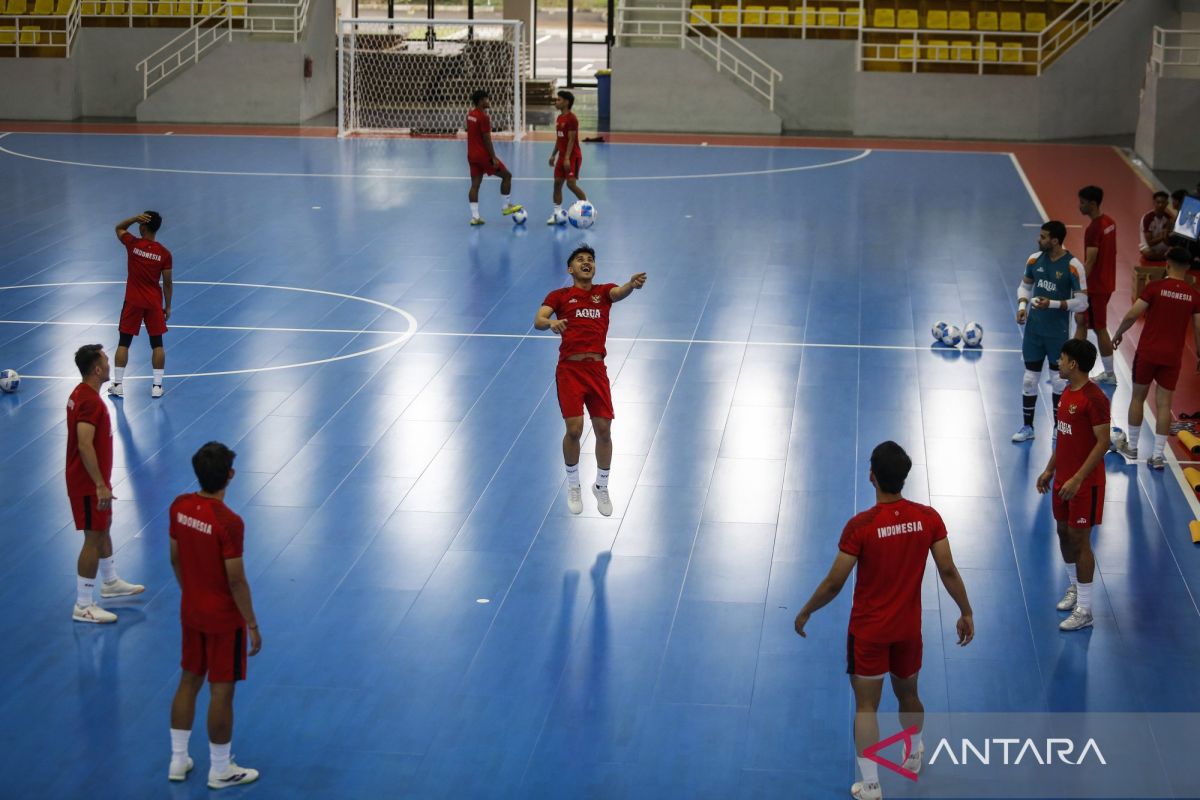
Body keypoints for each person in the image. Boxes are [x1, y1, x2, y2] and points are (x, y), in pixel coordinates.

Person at [794, 441, 973, 800]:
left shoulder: (861, 526)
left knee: (866, 708)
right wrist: (965, 610)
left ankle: (872, 785)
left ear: (872, 476)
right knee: (909, 695)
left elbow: (834, 583)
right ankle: (914, 753)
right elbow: (948, 570)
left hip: (869, 634)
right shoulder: (929, 518)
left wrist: (807, 609)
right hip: (907, 631)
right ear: (903, 477)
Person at [168, 442, 261, 789]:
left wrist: (190, 591)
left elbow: (175, 556)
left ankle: (178, 760)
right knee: (221, 691)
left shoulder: (179, 506)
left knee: (189, 680)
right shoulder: (229, 522)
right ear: (230, 475)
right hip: (223, 619)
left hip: (191, 610)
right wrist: (251, 623)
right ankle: (220, 769)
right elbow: (236, 579)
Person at [535, 245, 646, 516]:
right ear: (570, 269)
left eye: (590, 260)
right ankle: (574, 485)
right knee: (574, 430)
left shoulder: (603, 292)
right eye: (580, 260)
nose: (587, 262)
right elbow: (539, 320)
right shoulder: (560, 295)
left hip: (596, 370)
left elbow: (619, 292)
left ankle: (601, 486)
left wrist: (631, 285)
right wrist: (551, 323)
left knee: (604, 430)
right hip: (570, 371)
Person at [1036, 339, 1110, 632]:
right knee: (1063, 533)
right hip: (1062, 481)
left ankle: (1086, 610)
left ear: (1073, 364)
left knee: (1080, 541)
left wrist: (1078, 478)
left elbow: (1103, 443)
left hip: (1084, 485)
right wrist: (1049, 469)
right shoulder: (1067, 392)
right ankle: (1075, 587)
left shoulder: (1095, 399)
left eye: (1062, 357)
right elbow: (1064, 437)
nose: (1059, 361)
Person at [67, 344, 143, 623]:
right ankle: (83, 605)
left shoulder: (81, 394)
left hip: (95, 480)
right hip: (87, 483)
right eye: (106, 362)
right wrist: (99, 484)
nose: (110, 365)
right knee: (92, 538)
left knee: (104, 526)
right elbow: (84, 444)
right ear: (97, 369)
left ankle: (110, 582)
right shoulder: (90, 402)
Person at [1112, 247, 1200, 470]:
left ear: (1167, 264)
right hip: (1172, 358)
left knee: (1137, 398)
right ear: (1188, 268)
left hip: (1148, 354)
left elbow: (1133, 314)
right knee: (1164, 405)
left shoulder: (1155, 288)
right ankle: (1158, 456)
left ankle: (1132, 447)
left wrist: (1119, 333)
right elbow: (1199, 328)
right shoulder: (1193, 296)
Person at [1012, 221, 1089, 443]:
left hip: (1057, 334)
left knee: (1058, 381)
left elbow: (1083, 302)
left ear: (1055, 241)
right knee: (1029, 379)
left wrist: (1052, 304)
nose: (1039, 239)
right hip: (1034, 331)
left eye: (1043, 237)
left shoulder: (1073, 265)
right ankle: (1028, 427)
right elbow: (1025, 286)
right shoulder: (1034, 260)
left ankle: (1058, 427)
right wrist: (1022, 306)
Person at [109, 211, 172, 399]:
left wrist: (133, 219)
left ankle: (118, 385)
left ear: (143, 227)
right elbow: (167, 283)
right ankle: (157, 386)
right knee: (157, 344)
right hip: (153, 303)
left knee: (124, 342)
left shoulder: (133, 244)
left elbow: (119, 228)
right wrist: (168, 306)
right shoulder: (164, 254)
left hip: (133, 301)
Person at [1073, 186, 1118, 384]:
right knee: (1081, 320)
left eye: (1082, 202)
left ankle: (1109, 374)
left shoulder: (1094, 229)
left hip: (1095, 288)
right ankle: (1072, 365)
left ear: (1092, 204)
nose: (1079, 206)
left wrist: (1079, 286)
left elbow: (1090, 261)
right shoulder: (1110, 222)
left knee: (1100, 328)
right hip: (1106, 283)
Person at [466, 89, 522, 226]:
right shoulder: (483, 117)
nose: (488, 101)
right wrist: (493, 157)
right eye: (486, 99)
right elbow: (487, 139)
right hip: (483, 156)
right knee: (507, 176)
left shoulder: (470, 115)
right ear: (481, 101)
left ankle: (475, 217)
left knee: (475, 185)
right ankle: (506, 206)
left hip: (472, 155)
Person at [546, 90, 587, 225]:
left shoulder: (572, 119)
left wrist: (567, 158)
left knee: (571, 184)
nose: (556, 102)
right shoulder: (559, 118)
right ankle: (557, 214)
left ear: (566, 102)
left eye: (559, 100)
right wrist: (553, 155)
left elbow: (571, 140)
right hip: (562, 156)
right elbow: (560, 139)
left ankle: (587, 209)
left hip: (572, 156)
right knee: (557, 183)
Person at [1139, 191, 1174, 262]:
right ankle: (1165, 257)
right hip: (1148, 247)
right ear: (1154, 203)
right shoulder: (1148, 218)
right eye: (1158, 202)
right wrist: (1163, 236)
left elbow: (1168, 241)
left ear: (1167, 203)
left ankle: (1163, 256)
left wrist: (1163, 236)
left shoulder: (1168, 218)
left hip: (1162, 245)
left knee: (1177, 249)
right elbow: (1150, 243)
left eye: (1163, 202)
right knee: (1147, 253)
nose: (1160, 205)